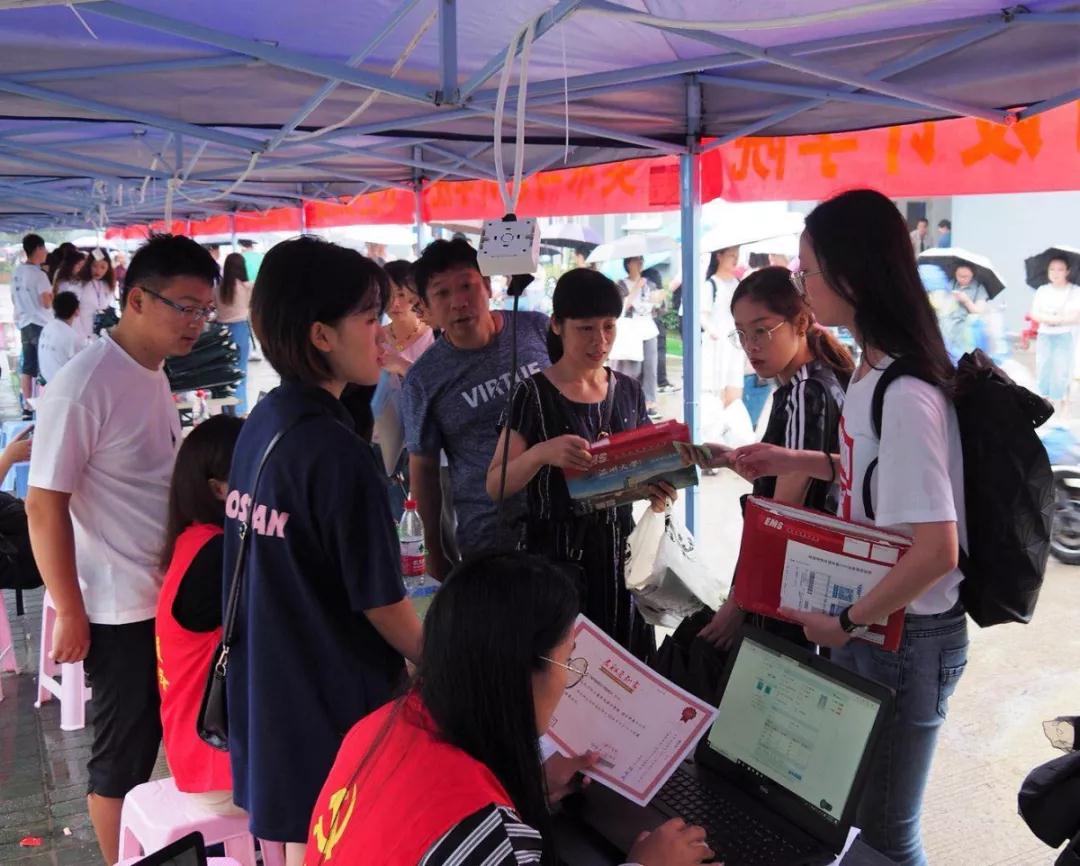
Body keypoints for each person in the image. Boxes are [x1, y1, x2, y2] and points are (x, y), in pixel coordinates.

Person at [730, 189, 968, 866]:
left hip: (904, 632)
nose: (802, 284)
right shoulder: (870, 369)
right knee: (857, 823)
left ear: (851, 275)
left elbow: (936, 550)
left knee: (886, 837)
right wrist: (794, 460)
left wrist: (846, 622)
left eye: (807, 270)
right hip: (880, 625)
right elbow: (873, 473)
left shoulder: (906, 391)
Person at [303, 551, 712, 866]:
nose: (567, 678)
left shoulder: (377, 727)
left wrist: (525, 786)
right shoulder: (492, 841)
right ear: (520, 674)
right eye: (568, 660)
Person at [227, 236, 423, 866]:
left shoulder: (266, 421)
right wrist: (445, 660)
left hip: (272, 689)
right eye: (368, 319)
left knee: (301, 844)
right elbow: (383, 604)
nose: (383, 333)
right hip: (334, 704)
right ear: (321, 335)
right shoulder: (338, 455)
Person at [26, 234, 220, 864]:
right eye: (185, 307)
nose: (196, 323)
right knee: (124, 756)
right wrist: (70, 609)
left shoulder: (151, 371)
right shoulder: (85, 384)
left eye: (205, 310)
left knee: (174, 736)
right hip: (119, 609)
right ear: (136, 299)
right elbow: (43, 504)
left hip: (165, 596)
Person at [487, 269, 676, 659]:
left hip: (620, 564)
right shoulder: (532, 395)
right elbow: (495, 484)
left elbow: (645, 469)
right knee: (565, 668)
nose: (600, 341)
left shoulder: (628, 390)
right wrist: (541, 453)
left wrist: (658, 491)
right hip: (555, 567)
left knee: (624, 669)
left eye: (609, 327)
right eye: (586, 328)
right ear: (557, 325)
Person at [696, 266, 853, 650]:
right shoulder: (823, 376)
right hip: (817, 580)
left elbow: (783, 515)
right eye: (741, 333)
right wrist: (732, 459)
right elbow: (800, 481)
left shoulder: (804, 392)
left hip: (794, 584)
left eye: (762, 330)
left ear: (800, 323)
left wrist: (739, 602)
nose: (751, 346)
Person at [401, 239, 550, 578]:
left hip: (566, 522)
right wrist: (433, 555)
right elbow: (423, 469)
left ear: (487, 285)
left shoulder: (537, 330)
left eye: (466, 286)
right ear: (426, 307)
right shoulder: (423, 379)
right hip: (489, 538)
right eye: (442, 293)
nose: (458, 302)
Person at [155, 414, 245, 816]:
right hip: (221, 771)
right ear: (219, 489)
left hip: (194, 756)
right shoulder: (218, 556)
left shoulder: (194, 539)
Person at [612, 256, 661, 418]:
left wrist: (659, 301)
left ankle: (650, 402)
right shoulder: (620, 284)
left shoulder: (649, 283)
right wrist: (635, 289)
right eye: (636, 261)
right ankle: (630, 401)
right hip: (631, 331)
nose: (640, 264)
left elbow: (658, 308)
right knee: (633, 369)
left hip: (648, 328)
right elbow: (621, 308)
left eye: (641, 260)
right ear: (628, 263)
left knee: (650, 368)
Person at [10, 233, 53, 416]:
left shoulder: (17, 272)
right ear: (38, 249)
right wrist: (54, 296)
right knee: (45, 366)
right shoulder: (39, 275)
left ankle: (27, 406)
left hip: (25, 323)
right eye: (44, 249)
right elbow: (46, 303)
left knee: (27, 367)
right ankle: (45, 404)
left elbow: (13, 298)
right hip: (40, 323)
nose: (46, 252)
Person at [1029, 255, 1080, 409]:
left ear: (1067, 271)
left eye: (1060, 269)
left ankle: (1058, 400)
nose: (1055, 273)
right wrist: (1050, 319)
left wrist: (1059, 321)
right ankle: (1043, 399)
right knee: (1043, 367)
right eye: (1052, 269)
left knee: (1061, 369)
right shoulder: (1042, 290)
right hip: (1045, 335)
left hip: (1064, 335)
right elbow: (1034, 313)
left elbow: (1077, 317)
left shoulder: (1075, 291)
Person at [702, 245, 744, 408]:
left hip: (735, 344)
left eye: (737, 256)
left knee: (735, 391)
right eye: (731, 255)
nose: (735, 259)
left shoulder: (738, 284)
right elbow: (702, 315)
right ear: (719, 256)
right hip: (717, 345)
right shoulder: (711, 285)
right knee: (716, 392)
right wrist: (713, 331)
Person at [380, 259, 435, 378]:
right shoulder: (377, 338)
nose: (394, 303)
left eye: (401, 294)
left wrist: (402, 366)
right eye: (388, 295)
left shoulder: (435, 336)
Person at [217, 252, 253, 414]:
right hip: (240, 329)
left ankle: (226, 409)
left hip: (221, 332)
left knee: (224, 372)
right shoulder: (247, 287)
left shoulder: (218, 288)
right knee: (240, 371)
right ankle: (239, 410)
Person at [941, 263, 989, 359]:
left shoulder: (979, 288)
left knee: (962, 357)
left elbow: (979, 311)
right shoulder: (951, 284)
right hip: (947, 327)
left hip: (966, 330)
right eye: (959, 275)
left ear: (972, 275)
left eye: (965, 276)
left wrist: (966, 301)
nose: (961, 279)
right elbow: (941, 304)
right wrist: (949, 298)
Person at [71, 248, 117, 345]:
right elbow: (72, 312)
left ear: (108, 268)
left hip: (101, 335)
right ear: (89, 265)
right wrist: (82, 335)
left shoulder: (107, 285)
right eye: (94, 266)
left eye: (103, 267)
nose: (98, 270)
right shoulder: (78, 284)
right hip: (82, 335)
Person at [37, 290, 82, 384]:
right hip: (64, 385)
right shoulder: (72, 337)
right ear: (76, 311)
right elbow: (82, 367)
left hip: (48, 381)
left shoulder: (47, 327)